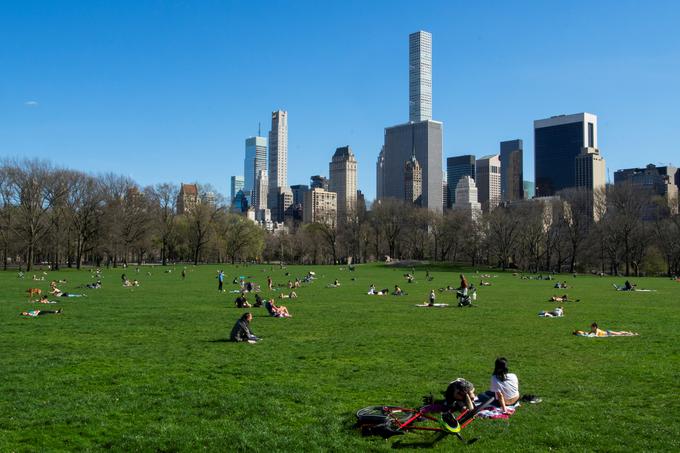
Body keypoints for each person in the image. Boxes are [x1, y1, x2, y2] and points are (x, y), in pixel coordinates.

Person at [574, 322, 639, 337]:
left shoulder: (597, 330)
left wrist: (593, 336)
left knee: (620, 334)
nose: (591, 328)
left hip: (608, 333)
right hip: (608, 332)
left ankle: (632, 334)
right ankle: (629, 332)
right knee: (619, 333)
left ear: (595, 327)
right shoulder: (592, 330)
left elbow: (596, 335)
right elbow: (589, 333)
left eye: (592, 327)